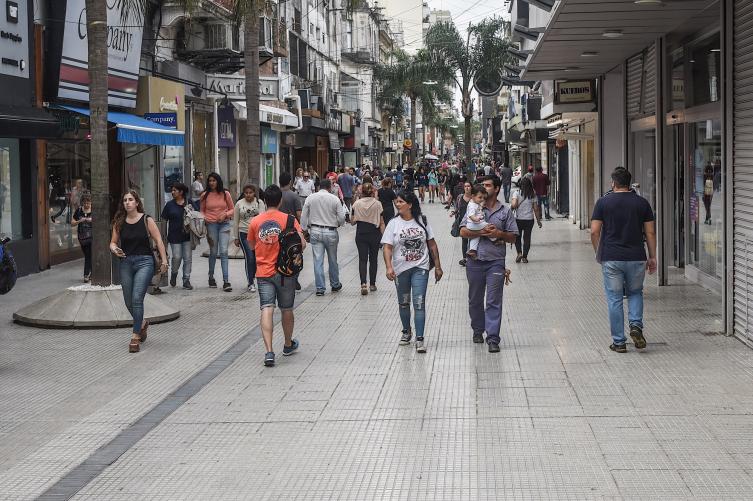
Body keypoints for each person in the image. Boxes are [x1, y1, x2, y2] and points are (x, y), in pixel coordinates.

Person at [590, 167, 657, 353]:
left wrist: (598, 253)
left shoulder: (603, 203)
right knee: (635, 292)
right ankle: (636, 326)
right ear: (629, 183)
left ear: (613, 183)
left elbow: (594, 231)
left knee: (615, 298)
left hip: (611, 257)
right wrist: (652, 257)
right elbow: (650, 232)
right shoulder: (642, 203)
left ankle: (619, 342)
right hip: (636, 257)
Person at [247, 184, 306, 367]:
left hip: (263, 272)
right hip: (285, 272)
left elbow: (250, 246)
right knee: (286, 309)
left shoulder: (256, 221)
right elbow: (302, 244)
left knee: (267, 308)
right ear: (280, 200)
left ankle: (269, 351)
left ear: (264, 201)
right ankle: (288, 344)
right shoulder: (289, 220)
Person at [459, 176, 518, 353]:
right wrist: (481, 232)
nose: (484, 188)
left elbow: (513, 236)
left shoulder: (505, 211)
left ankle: (493, 337)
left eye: (488, 185)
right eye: (482, 185)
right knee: (475, 299)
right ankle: (478, 329)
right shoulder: (473, 207)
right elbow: (462, 231)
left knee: (493, 300)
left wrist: (499, 233)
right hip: (475, 261)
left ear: (497, 189)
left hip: (495, 261)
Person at [382, 190, 442, 353]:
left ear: (410, 204)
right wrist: (389, 266)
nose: (397, 204)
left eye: (401, 202)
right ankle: (406, 331)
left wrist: (437, 265)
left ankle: (420, 338)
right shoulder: (393, 223)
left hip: (420, 268)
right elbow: (387, 247)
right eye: (397, 202)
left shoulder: (422, 221)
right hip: (401, 270)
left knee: (419, 302)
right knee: (404, 302)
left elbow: (432, 244)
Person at [110, 190, 168, 353]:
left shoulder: (146, 219)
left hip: (145, 262)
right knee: (128, 301)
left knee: (137, 298)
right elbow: (112, 242)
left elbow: (158, 240)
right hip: (126, 262)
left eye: (130, 200)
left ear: (137, 203)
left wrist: (164, 260)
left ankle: (135, 336)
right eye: (125, 200)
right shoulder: (119, 222)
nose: (127, 202)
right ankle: (142, 323)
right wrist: (115, 249)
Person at [301, 178, 346, 296]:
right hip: (331, 231)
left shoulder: (310, 197)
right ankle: (335, 284)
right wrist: (337, 223)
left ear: (318, 187)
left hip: (315, 230)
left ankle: (320, 288)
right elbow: (341, 219)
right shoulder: (334, 199)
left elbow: (303, 216)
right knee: (332, 259)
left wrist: (304, 230)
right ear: (329, 187)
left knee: (318, 260)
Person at [200, 172, 234, 291]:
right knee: (213, 252)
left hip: (224, 224)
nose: (211, 183)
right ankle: (211, 276)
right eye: (210, 181)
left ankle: (226, 281)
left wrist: (225, 214)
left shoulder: (226, 194)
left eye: (214, 180)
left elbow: (232, 209)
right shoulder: (204, 195)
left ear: (218, 181)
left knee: (224, 251)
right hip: (211, 225)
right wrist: (205, 218)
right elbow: (202, 211)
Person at [351, 182, 385, 295]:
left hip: (361, 232)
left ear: (362, 192)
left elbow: (352, 222)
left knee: (362, 259)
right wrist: (384, 237)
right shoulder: (378, 204)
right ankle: (373, 284)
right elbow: (381, 222)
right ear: (372, 191)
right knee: (373, 259)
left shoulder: (356, 204)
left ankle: (363, 283)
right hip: (374, 233)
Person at [160, 182, 193, 290]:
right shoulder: (169, 205)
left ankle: (186, 280)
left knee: (188, 258)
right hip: (174, 236)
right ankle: (174, 273)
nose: (172, 192)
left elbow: (197, 216)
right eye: (172, 190)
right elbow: (164, 220)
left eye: (175, 190)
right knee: (177, 257)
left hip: (188, 236)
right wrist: (163, 235)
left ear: (181, 192)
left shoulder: (189, 203)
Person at [233, 184, 266, 293]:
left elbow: (263, 218)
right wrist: (236, 237)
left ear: (254, 193)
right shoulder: (239, 203)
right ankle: (250, 282)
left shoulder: (259, 203)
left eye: (250, 192)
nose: (248, 195)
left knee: (256, 258)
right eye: (246, 193)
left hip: (257, 235)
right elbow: (235, 221)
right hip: (244, 233)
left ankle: (254, 275)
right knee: (249, 257)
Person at [279, 172, 303, 291]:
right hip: (291, 230)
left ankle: (281, 275)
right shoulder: (294, 196)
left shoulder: (276, 195)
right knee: (295, 254)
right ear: (290, 182)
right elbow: (299, 214)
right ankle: (294, 278)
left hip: (278, 229)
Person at [511, 176, 542, 264]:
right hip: (529, 220)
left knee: (517, 237)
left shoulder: (516, 193)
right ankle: (525, 257)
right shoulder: (533, 194)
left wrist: (513, 204)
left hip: (518, 219)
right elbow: (536, 209)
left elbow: (513, 205)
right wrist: (539, 221)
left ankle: (519, 253)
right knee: (527, 238)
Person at [464, 184, 496, 259]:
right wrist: (476, 219)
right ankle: (494, 239)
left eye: (483, 198)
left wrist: (481, 206)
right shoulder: (472, 205)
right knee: (489, 226)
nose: (482, 199)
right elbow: (471, 215)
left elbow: (478, 209)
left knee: (476, 236)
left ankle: (472, 250)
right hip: (474, 224)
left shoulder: (475, 203)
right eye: (480, 197)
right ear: (472, 196)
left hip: (473, 225)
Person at [71, 193, 93, 282]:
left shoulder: (94, 210)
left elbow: (100, 222)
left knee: (88, 254)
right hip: (82, 237)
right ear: (82, 203)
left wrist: (91, 220)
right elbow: (72, 223)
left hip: (92, 236)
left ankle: (86, 275)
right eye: (85, 203)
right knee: (88, 255)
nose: (87, 205)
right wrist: (79, 221)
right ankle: (92, 272)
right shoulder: (79, 211)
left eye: (88, 203)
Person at [453, 180, 473, 266]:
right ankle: (465, 258)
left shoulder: (474, 197)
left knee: (472, 239)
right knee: (464, 240)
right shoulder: (460, 197)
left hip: (472, 222)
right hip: (462, 222)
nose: (467, 188)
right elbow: (457, 208)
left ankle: (472, 257)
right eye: (465, 186)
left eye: (468, 186)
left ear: (471, 187)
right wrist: (454, 213)